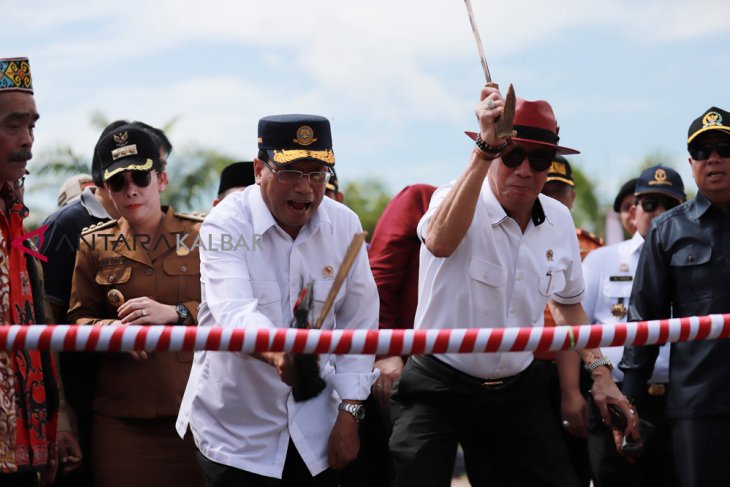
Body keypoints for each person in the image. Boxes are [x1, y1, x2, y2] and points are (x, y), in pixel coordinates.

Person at [389, 87, 638, 487]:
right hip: (439, 382)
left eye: (540, 159)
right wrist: (484, 149)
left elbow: (568, 306)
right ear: (492, 152)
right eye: (512, 155)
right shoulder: (452, 196)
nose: (525, 169)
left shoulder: (558, 220)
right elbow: (439, 241)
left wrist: (601, 374)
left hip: (516, 391)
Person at [177, 114, 378, 486]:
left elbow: (359, 326)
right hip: (236, 433)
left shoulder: (345, 227)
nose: (305, 188)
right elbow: (234, 311)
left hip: (316, 430)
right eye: (290, 172)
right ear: (258, 169)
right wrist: (278, 354)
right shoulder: (225, 225)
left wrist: (350, 413)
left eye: (316, 173)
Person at [67, 124, 203, 487]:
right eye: (118, 182)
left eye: (140, 177)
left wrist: (176, 313)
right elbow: (77, 320)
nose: (130, 190)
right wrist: (111, 332)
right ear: (107, 190)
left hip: (194, 418)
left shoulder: (202, 236)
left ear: (162, 179)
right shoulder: (95, 244)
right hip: (120, 423)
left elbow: (231, 312)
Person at [620, 107, 730, 486]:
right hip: (698, 407)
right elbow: (644, 320)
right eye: (702, 152)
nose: (713, 158)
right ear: (691, 162)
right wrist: (628, 402)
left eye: (724, 147)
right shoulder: (667, 230)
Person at [584, 165, 684, 487]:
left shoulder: (698, 261)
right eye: (650, 203)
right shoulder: (601, 260)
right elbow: (576, 331)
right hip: (617, 397)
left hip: (682, 401)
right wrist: (571, 392)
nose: (659, 212)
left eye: (670, 205)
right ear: (633, 209)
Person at [0, 56, 59, 486]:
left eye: (32, 126)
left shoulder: (15, 214)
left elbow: (37, 321)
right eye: (12, 126)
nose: (28, 142)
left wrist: (62, 419)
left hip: (27, 443)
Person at [539, 155, 601, 487]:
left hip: (577, 362)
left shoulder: (591, 247)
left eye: (560, 191)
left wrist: (574, 388)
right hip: (525, 367)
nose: (552, 199)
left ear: (572, 197)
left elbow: (576, 312)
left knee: (575, 467)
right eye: (546, 190)